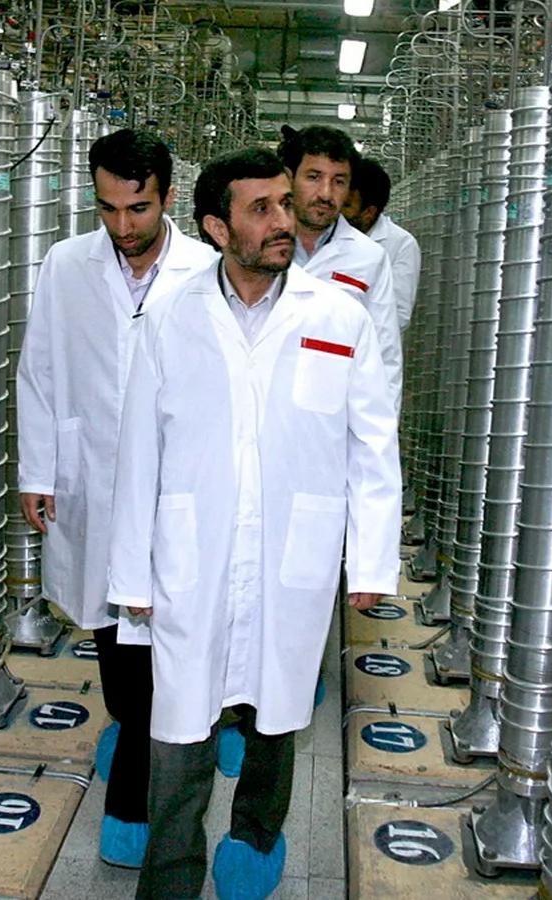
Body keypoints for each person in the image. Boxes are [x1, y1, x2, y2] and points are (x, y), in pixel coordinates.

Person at [106, 148, 401, 900]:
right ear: (215, 227)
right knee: (179, 724)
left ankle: (256, 835)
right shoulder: (170, 317)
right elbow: (140, 448)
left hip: (292, 548)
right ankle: (170, 875)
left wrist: (370, 561)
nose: (285, 220)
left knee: (278, 706)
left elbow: (372, 443)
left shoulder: (337, 315)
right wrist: (130, 575)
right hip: (192, 548)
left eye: (284, 202)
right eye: (262, 209)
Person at [15, 128, 216, 869]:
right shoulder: (67, 264)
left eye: (137, 209)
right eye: (108, 210)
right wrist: (38, 469)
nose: (122, 227)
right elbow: (38, 369)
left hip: (175, 491)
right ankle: (138, 732)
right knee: (112, 635)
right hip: (93, 481)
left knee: (159, 655)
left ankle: (133, 802)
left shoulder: (205, 267)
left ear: (167, 196)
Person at [276, 125, 402, 409]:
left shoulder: (368, 258)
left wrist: (378, 442)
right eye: (313, 177)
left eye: (339, 181)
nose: (326, 193)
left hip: (332, 415)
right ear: (289, 177)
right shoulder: (260, 244)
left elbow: (385, 357)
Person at [343, 156, 421, 334]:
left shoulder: (401, 244)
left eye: (347, 205)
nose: (338, 211)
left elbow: (398, 316)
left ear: (369, 212)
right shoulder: (326, 235)